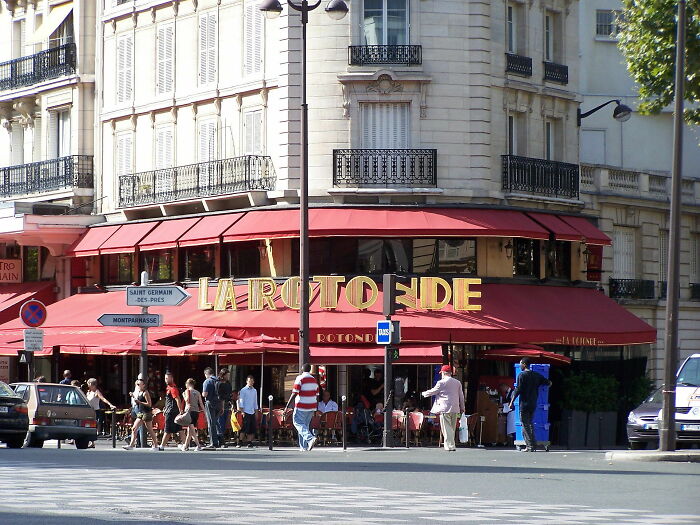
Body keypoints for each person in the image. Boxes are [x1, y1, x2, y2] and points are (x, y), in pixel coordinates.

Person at [509, 358, 552, 452]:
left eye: (521, 364)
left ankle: (529, 446)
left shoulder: (522, 375)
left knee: (525, 425)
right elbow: (548, 382)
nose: (520, 366)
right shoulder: (536, 375)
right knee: (531, 424)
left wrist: (512, 401)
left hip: (524, 403)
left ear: (524, 364)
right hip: (533, 403)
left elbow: (518, 389)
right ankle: (533, 444)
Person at [421, 365, 465, 452]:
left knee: (446, 427)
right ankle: (451, 444)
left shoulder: (441, 382)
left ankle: (449, 445)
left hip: (444, 408)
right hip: (455, 408)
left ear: (444, 373)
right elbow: (461, 396)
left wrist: (424, 393)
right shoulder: (457, 382)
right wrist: (462, 407)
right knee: (452, 427)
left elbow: (434, 391)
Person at [286, 363, 319, 452]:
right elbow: (317, 395)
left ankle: (310, 439)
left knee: (297, 423)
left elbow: (294, 392)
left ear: (302, 369)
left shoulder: (300, 378)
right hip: (312, 406)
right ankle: (303, 446)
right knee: (305, 426)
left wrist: (287, 405)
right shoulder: (314, 380)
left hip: (301, 405)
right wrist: (316, 408)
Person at [122, 379, 159, 451]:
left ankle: (156, 445)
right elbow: (137, 401)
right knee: (134, 428)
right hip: (140, 413)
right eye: (137, 384)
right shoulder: (139, 392)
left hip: (146, 413)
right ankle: (131, 445)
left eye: (139, 384)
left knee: (150, 429)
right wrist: (133, 396)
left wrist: (139, 402)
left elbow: (149, 404)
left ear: (144, 385)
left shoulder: (146, 393)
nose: (138, 386)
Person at [159, 371, 185, 451]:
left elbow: (178, 399)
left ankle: (162, 446)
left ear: (172, 378)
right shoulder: (169, 388)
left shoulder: (173, 388)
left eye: (167, 378)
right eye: (165, 378)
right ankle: (185, 444)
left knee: (167, 429)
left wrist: (180, 410)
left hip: (171, 412)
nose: (166, 380)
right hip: (171, 410)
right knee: (179, 429)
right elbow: (169, 401)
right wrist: (165, 408)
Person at [180, 378, 205, 452]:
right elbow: (201, 403)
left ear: (187, 384)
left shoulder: (187, 391)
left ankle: (198, 445)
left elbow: (187, 400)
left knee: (191, 429)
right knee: (189, 430)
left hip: (189, 411)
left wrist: (184, 395)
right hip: (196, 411)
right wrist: (204, 412)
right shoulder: (197, 392)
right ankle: (185, 446)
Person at [236, 375, 259, 448]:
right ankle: (239, 441)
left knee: (252, 428)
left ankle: (249, 441)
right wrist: (242, 411)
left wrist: (256, 411)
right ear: (247, 381)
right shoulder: (243, 390)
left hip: (252, 411)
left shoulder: (254, 390)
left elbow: (255, 401)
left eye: (252, 381)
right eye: (249, 381)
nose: (251, 383)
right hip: (246, 411)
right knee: (244, 427)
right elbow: (241, 401)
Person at [201, 367, 220, 449]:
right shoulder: (219, 381)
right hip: (219, 403)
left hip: (210, 402)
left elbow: (205, 394)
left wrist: (202, 394)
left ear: (206, 374)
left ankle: (213, 442)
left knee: (211, 423)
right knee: (216, 422)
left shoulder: (207, 381)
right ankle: (220, 439)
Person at [216, 368, 233, 447]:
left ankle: (222, 440)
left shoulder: (228, 384)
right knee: (220, 423)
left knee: (224, 424)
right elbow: (219, 396)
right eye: (227, 375)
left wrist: (231, 403)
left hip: (227, 405)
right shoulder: (218, 383)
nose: (228, 377)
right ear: (223, 375)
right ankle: (220, 441)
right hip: (219, 405)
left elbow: (230, 395)